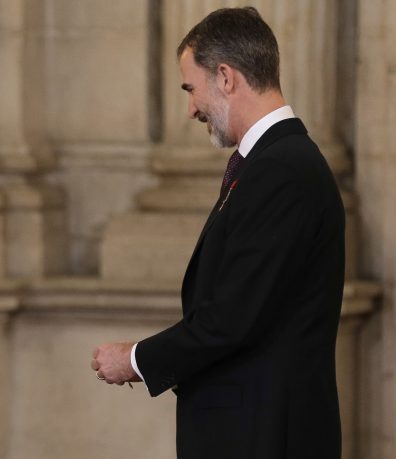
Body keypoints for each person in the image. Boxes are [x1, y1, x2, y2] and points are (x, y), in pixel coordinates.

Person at [91, 7, 344, 459]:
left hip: (265, 436)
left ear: (225, 77)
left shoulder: (283, 170)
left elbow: (232, 318)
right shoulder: (270, 163)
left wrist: (134, 360)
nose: (191, 108)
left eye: (191, 88)